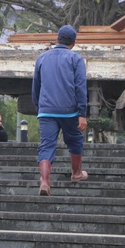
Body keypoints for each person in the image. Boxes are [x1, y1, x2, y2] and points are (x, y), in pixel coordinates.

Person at [31, 25, 88, 196]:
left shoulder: (42, 58)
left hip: (46, 110)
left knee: (46, 145)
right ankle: (77, 173)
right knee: (75, 140)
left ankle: (45, 182)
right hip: (69, 111)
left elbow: (36, 86)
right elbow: (80, 87)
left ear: (57, 39)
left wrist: (39, 107)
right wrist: (82, 113)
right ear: (74, 42)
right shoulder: (76, 59)